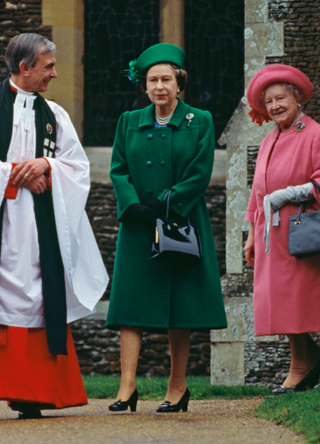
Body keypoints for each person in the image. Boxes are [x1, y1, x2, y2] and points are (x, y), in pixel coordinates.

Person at [106, 43, 227, 413]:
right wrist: (133, 206)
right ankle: (127, 388)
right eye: (152, 80)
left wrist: (167, 203)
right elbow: (118, 168)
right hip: (139, 225)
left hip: (181, 221)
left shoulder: (200, 120)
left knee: (180, 307)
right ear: (144, 86)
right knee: (130, 304)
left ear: (180, 83)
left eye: (166, 80)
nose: (159, 86)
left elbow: (200, 171)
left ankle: (178, 386)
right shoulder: (128, 122)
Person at [0, 33, 109, 418]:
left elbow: (78, 167)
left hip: (39, 229)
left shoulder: (56, 115)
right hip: (5, 223)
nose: (55, 74)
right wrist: (15, 173)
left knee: (37, 297)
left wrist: (47, 165)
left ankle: (32, 393)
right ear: (25, 67)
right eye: (47, 66)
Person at [244, 64, 320, 394]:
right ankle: (305, 361)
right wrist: (249, 234)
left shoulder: (315, 133)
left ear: (297, 99)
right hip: (269, 234)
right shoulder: (269, 139)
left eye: (281, 99)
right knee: (281, 302)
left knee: (299, 301)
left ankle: (302, 365)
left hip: (301, 228)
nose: (275, 106)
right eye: (270, 101)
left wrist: (292, 192)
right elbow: (257, 191)